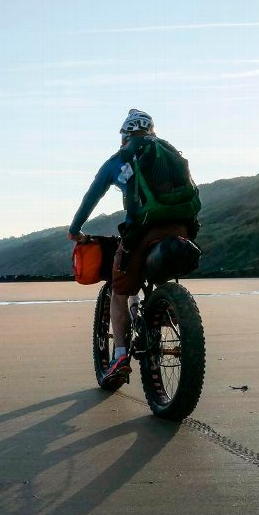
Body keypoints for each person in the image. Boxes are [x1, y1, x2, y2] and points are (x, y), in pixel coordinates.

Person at [67, 109, 198, 388]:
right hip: (183, 230)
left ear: (124, 135)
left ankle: (120, 356)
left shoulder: (119, 159)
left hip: (143, 232)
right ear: (152, 132)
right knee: (160, 276)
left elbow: (92, 196)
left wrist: (75, 230)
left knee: (119, 289)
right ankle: (168, 312)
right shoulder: (170, 154)